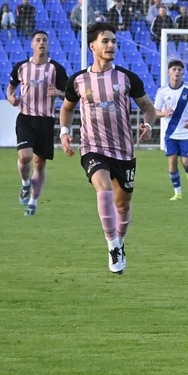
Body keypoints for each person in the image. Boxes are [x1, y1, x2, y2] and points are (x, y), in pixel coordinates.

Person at [58, 25, 155, 273]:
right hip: (92, 147)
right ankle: (112, 245)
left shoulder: (127, 78)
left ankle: (120, 243)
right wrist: (65, 132)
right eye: (105, 41)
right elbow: (67, 109)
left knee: (122, 205)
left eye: (113, 41)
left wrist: (148, 124)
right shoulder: (78, 80)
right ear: (93, 46)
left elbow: (148, 107)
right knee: (103, 190)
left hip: (124, 151)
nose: (111, 45)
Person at [8, 30, 69, 216]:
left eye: (44, 40)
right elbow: (11, 87)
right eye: (38, 40)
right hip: (25, 118)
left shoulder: (56, 69)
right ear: (31, 45)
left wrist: (58, 93)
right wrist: (11, 98)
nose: (41, 42)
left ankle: (33, 201)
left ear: (48, 44)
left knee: (39, 164)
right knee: (24, 157)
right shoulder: (21, 67)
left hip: (46, 120)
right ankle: (25, 183)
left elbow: (69, 93)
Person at [152, 59, 188, 201]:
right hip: (170, 132)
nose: (177, 72)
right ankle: (178, 192)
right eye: (174, 69)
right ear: (169, 72)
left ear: (183, 72)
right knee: (172, 161)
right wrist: (164, 113)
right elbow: (155, 111)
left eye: (179, 70)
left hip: (186, 132)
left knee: (186, 162)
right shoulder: (162, 91)